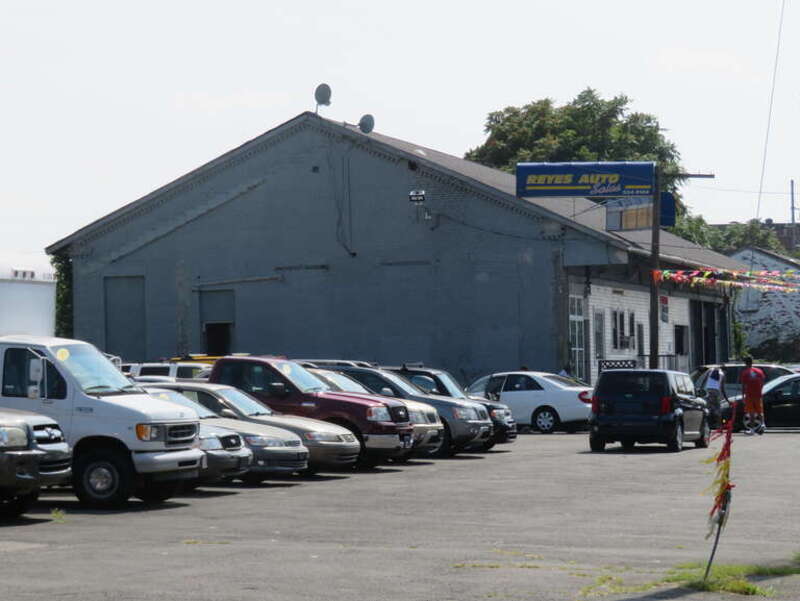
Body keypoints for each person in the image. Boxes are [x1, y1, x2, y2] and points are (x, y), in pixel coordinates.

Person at [739, 356, 766, 435]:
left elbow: (743, 385)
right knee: (760, 411)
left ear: (745, 363)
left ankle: (752, 430)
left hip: (749, 394)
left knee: (751, 413)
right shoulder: (759, 371)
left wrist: (743, 396)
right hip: (758, 394)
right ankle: (763, 424)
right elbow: (762, 382)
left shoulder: (745, 372)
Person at [704, 365, 727, 429]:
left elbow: (705, 379)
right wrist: (726, 399)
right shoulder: (722, 374)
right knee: (718, 409)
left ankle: (707, 425)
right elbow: (722, 388)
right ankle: (719, 425)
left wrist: (701, 389)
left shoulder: (710, 370)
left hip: (708, 390)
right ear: (724, 370)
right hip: (716, 391)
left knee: (708, 408)